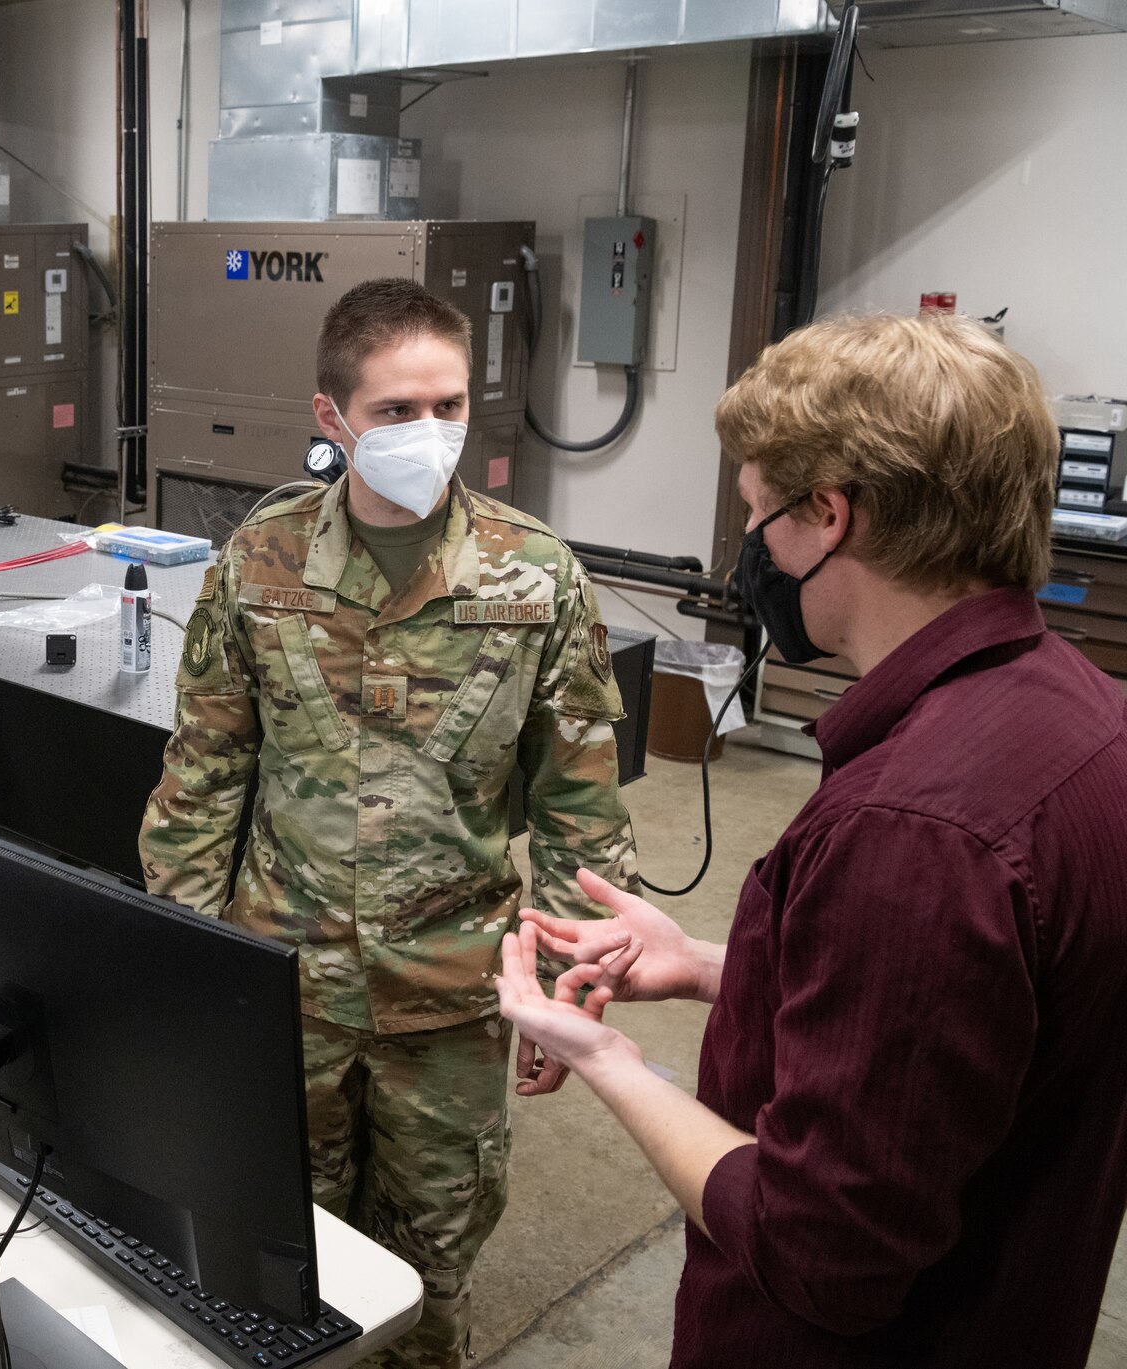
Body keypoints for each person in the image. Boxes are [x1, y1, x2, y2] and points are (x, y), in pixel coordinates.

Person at [495, 312, 1127, 1367]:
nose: (752, 551)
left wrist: (604, 1057)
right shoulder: (1084, 712)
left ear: (829, 516)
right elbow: (952, 1023)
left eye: (759, 515)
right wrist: (716, 966)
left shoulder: (914, 829)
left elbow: (819, 1250)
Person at [140, 276, 639, 1366]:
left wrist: (566, 986)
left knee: (429, 1276)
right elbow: (203, 776)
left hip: (452, 999)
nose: (428, 433)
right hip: (284, 987)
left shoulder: (535, 579)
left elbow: (577, 807)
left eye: (447, 406)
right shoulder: (258, 567)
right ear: (332, 419)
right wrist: (183, 965)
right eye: (395, 411)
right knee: (278, 1254)